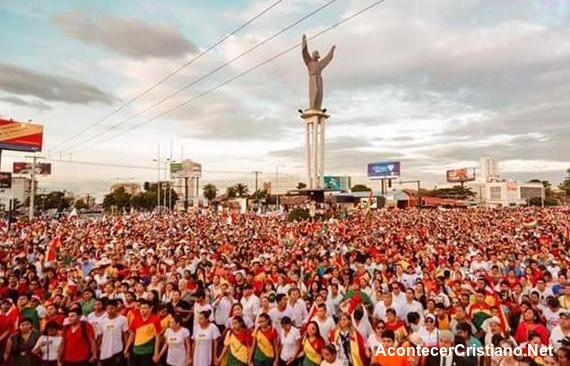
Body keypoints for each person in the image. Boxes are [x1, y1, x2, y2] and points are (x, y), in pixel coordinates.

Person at [125, 299, 162, 366]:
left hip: (148, 352)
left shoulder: (155, 320)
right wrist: (126, 348)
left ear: (150, 309)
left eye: (145, 308)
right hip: (135, 351)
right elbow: (132, 335)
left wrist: (156, 353)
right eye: (141, 308)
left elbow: (157, 337)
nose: (142, 310)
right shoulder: (136, 319)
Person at [98, 299, 129, 366]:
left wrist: (126, 349)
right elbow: (100, 336)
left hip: (118, 350)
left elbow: (125, 335)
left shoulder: (123, 319)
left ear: (116, 308)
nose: (109, 310)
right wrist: (99, 348)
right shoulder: (102, 321)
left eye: (112, 308)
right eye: (108, 308)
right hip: (105, 351)